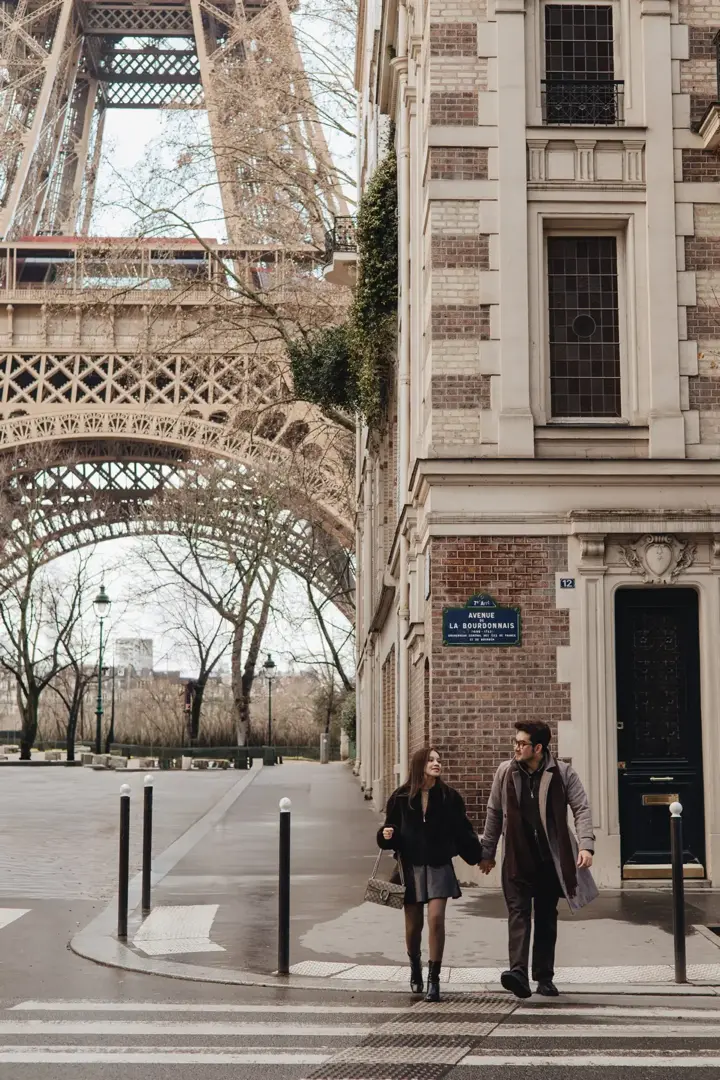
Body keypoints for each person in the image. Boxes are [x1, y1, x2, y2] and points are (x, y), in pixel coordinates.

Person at [479, 720, 597, 999]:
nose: (516, 747)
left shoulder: (563, 772)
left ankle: (544, 977)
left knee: (545, 917)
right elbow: (494, 813)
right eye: (515, 742)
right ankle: (517, 973)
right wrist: (487, 852)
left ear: (539, 748)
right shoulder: (505, 772)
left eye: (522, 743)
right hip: (516, 857)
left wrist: (586, 846)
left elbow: (581, 808)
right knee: (518, 914)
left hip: (549, 859)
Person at [377, 746, 482, 1002]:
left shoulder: (449, 797)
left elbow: (463, 831)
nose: (437, 763)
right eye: (431, 760)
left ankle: (434, 980)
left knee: (436, 920)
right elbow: (388, 832)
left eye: (438, 760)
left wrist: (480, 857)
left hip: (439, 866)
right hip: (410, 868)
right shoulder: (400, 798)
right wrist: (385, 835)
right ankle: (415, 967)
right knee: (414, 927)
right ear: (419, 765)